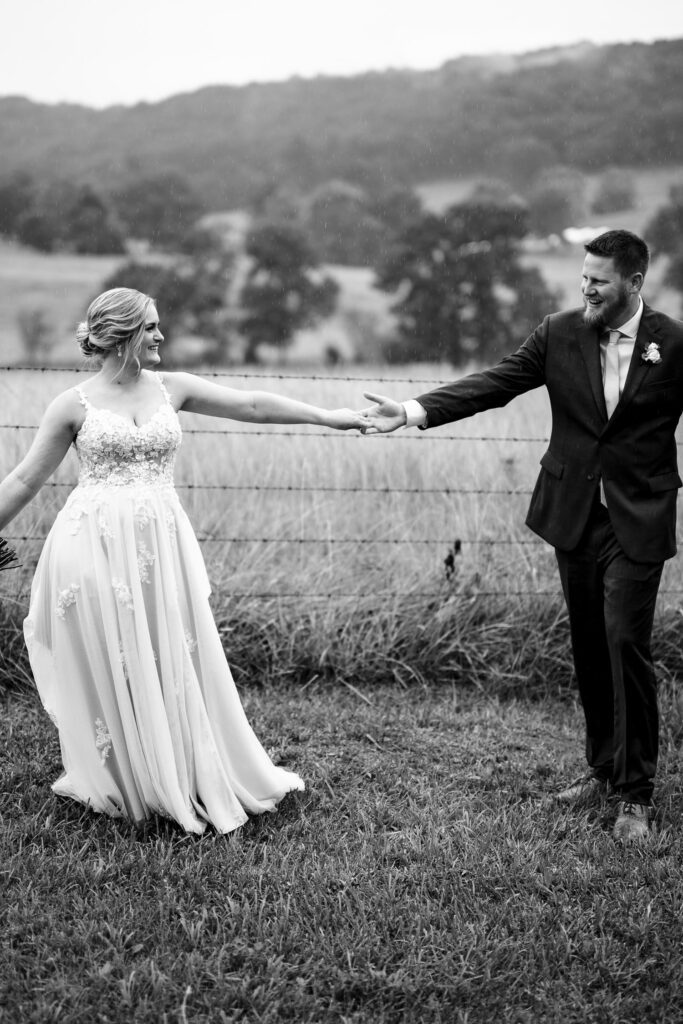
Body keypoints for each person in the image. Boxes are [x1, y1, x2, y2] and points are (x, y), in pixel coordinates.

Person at [0, 287, 369, 835]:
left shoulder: (173, 388)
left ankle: (182, 767)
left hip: (160, 545)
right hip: (91, 544)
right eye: (149, 327)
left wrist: (328, 417)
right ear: (121, 333)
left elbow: (250, 405)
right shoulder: (71, 405)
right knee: (119, 655)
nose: (160, 335)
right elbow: (27, 478)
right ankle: (129, 776)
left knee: (169, 647)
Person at [361, 229, 683, 842]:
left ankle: (635, 794)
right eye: (583, 275)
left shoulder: (673, 342)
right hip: (574, 514)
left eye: (599, 279)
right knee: (590, 641)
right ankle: (600, 770)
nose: (585, 287)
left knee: (624, 639)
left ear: (634, 284)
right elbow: (495, 382)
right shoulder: (559, 333)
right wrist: (412, 410)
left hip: (638, 516)